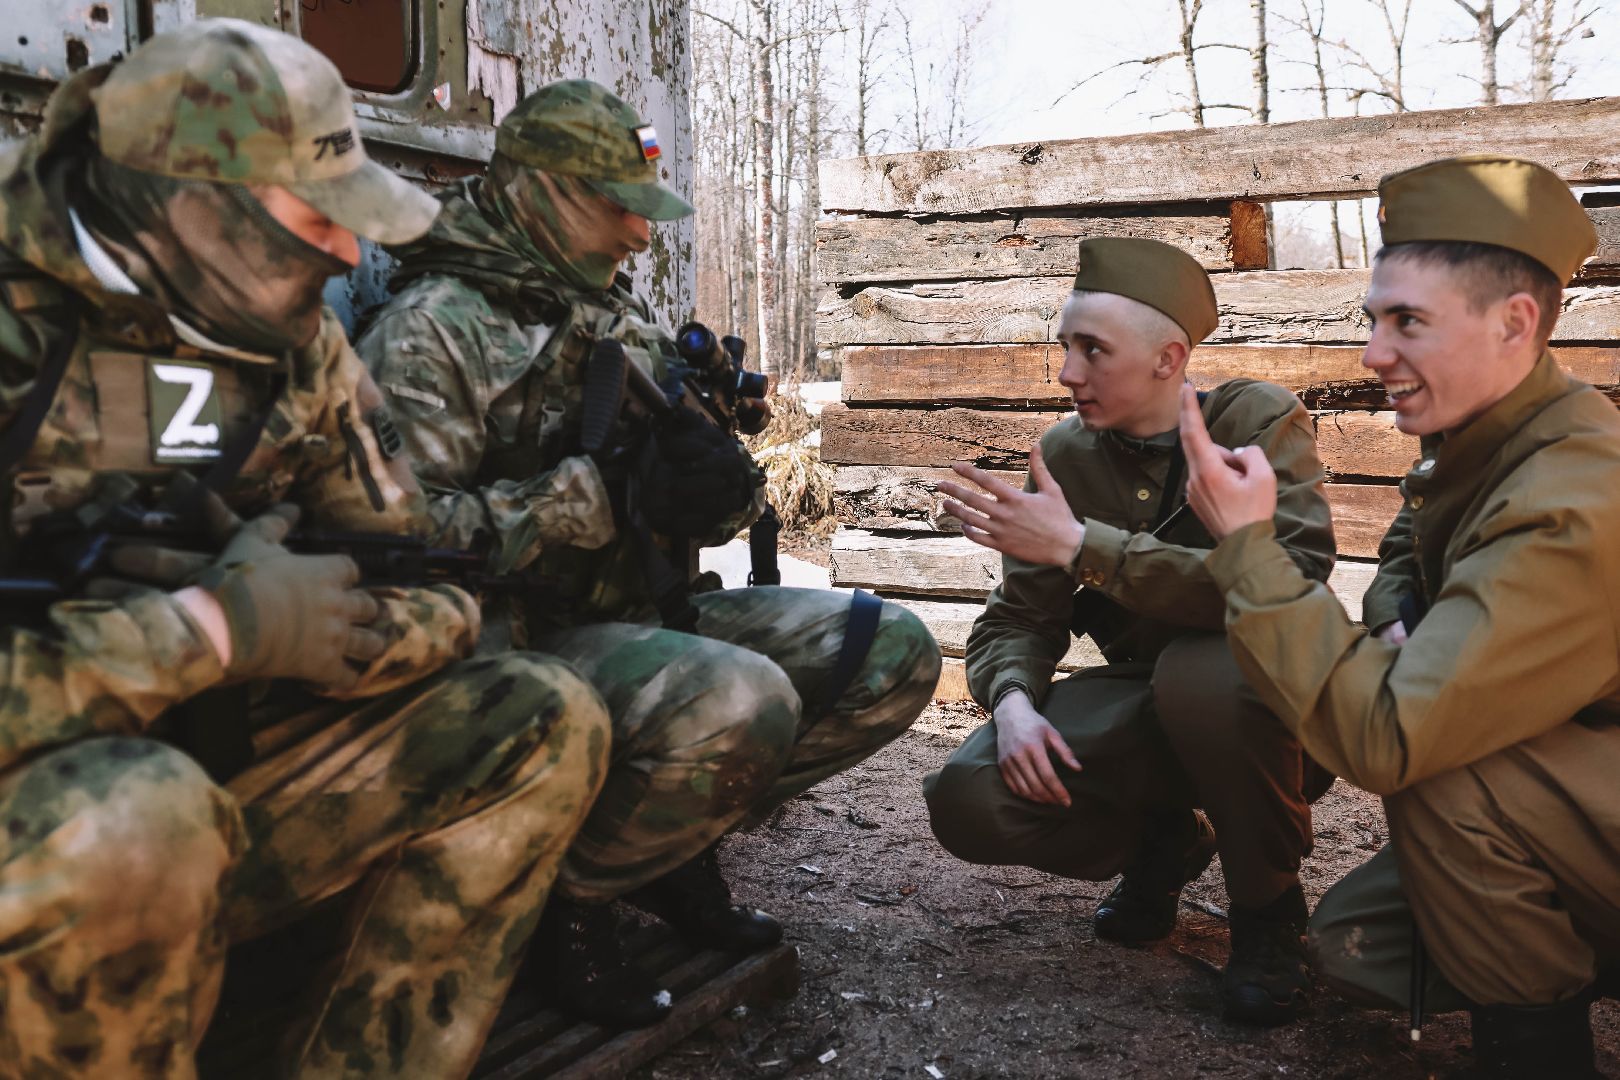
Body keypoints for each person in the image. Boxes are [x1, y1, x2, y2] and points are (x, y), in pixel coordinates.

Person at [0, 20, 612, 1078]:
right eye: (310, 219)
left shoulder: (301, 345)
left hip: (221, 767)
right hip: (67, 823)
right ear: (183, 202)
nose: (345, 254)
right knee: (141, 820)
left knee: (544, 718)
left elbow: (426, 571)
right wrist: (205, 633)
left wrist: (335, 630)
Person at [355, 78, 940, 1028]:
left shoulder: (606, 312)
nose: (639, 235)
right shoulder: (433, 331)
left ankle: (656, 853)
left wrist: (713, 488)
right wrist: (569, 505)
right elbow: (387, 544)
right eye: (620, 208)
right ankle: (561, 902)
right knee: (740, 701)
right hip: (507, 651)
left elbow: (686, 494)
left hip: (631, 617)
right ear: (541, 192)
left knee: (886, 651)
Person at [1176, 154, 1616, 1078]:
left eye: (1408, 321)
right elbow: (1405, 562)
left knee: (1443, 765)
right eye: (1374, 320)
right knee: (1365, 945)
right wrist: (1399, 623)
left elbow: (1387, 740)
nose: (1375, 354)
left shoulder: (1571, 495)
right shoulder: (1487, 435)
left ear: (1516, 323)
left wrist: (1248, 548)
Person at [925, 237, 1337, 1025]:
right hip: (1153, 703)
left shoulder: (1256, 421)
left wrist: (1085, 548)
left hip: (1273, 702)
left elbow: (1284, 587)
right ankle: (1167, 839)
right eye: (1064, 349)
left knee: (1204, 674)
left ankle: (1269, 910)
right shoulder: (1065, 455)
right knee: (971, 796)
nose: (1068, 373)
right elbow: (1019, 616)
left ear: (1168, 358)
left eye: (1093, 350)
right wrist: (1011, 702)